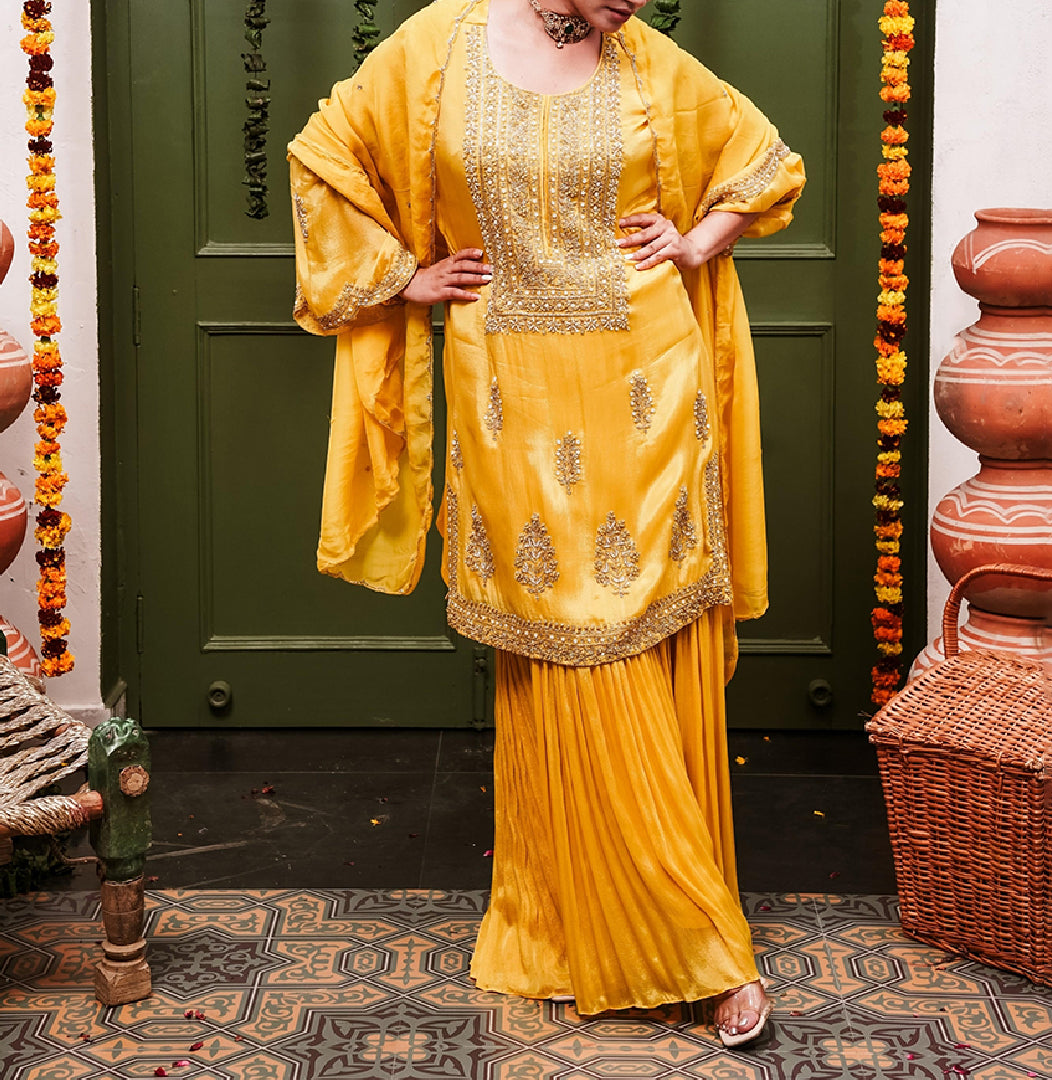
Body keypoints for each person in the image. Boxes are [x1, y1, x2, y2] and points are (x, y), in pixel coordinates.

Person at [289, 0, 804, 1046]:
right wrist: (405, 276)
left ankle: (693, 944)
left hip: (647, 387)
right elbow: (325, 153)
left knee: (632, 642)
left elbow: (763, 160)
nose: (636, 4)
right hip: (507, 391)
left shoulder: (646, 58)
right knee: (563, 646)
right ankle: (571, 920)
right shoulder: (440, 44)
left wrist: (697, 240)